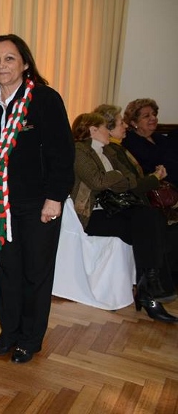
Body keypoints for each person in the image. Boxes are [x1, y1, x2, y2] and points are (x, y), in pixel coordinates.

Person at [0, 34, 75, 364]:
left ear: (24, 63)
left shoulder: (44, 99)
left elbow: (63, 152)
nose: (1, 65)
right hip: (2, 205)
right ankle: (9, 333)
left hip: (39, 204)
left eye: (9, 58)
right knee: (8, 271)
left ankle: (30, 339)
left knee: (36, 272)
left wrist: (55, 198)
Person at [70, 113, 177, 323]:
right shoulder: (79, 150)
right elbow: (99, 181)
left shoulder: (110, 150)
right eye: (104, 127)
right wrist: (119, 177)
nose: (108, 131)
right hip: (93, 214)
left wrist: (119, 178)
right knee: (149, 229)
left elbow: (130, 180)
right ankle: (150, 292)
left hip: (117, 209)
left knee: (151, 217)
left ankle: (148, 289)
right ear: (93, 130)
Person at [93, 104, 177, 296]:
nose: (125, 127)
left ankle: (154, 284)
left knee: (155, 220)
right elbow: (126, 183)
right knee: (151, 219)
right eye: (121, 123)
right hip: (115, 206)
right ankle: (152, 285)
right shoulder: (110, 150)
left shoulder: (118, 149)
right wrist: (155, 178)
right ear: (107, 128)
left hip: (132, 201)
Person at [122, 98, 178, 186]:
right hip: (161, 187)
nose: (153, 118)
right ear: (134, 123)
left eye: (154, 114)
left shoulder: (159, 137)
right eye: (146, 116)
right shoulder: (130, 142)